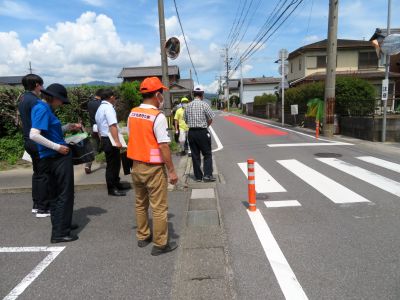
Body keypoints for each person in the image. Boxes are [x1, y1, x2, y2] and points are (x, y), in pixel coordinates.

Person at [127, 77, 178, 256]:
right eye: (161, 93)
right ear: (157, 94)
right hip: (154, 168)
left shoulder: (132, 113)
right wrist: (171, 170)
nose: (162, 97)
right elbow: (163, 145)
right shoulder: (158, 116)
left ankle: (143, 236)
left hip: (136, 165)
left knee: (141, 203)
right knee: (159, 207)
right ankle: (160, 244)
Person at [30, 83, 80, 243]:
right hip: (55, 157)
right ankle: (59, 233)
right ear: (55, 98)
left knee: (59, 193)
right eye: (61, 101)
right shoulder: (42, 109)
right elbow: (34, 135)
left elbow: (49, 131)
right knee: (63, 194)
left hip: (53, 156)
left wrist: (66, 128)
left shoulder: (44, 108)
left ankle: (62, 224)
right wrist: (57, 147)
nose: (61, 104)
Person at [18, 74, 51, 218]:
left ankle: (37, 205)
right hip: (37, 141)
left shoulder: (23, 99)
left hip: (28, 141)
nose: (42, 88)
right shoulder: (36, 101)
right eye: (41, 85)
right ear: (37, 84)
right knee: (44, 175)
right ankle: (43, 208)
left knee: (37, 174)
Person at [95, 89, 129, 196]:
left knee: (115, 163)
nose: (115, 98)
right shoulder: (108, 108)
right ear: (110, 97)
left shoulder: (100, 108)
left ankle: (116, 183)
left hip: (105, 138)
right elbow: (112, 125)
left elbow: (99, 126)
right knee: (112, 165)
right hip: (110, 139)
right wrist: (117, 141)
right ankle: (112, 188)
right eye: (114, 96)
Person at [184, 86, 216, 182]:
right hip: (202, 131)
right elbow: (210, 118)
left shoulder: (188, 106)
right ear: (202, 95)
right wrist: (205, 126)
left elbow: (185, 120)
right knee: (207, 154)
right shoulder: (204, 105)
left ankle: (198, 177)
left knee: (195, 155)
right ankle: (207, 175)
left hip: (191, 132)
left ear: (194, 95)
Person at [85, 88, 104, 174]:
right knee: (108, 146)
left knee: (94, 148)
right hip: (102, 129)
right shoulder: (101, 104)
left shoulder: (89, 103)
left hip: (93, 128)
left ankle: (87, 165)